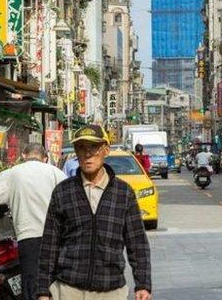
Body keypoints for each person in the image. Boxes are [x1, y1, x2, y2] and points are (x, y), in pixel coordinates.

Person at [36, 125, 151, 300]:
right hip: (68, 289)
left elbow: (137, 242)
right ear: (76, 152)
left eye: (94, 147)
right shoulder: (63, 191)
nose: (88, 154)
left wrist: (142, 284)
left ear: (106, 150)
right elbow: (50, 243)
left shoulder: (123, 192)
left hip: (111, 290)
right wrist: (43, 290)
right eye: (82, 148)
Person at [0, 144, 66, 300]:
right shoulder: (57, 173)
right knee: (55, 285)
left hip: (30, 239)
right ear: (45, 158)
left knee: (32, 286)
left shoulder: (14, 173)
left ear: (23, 156)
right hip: (58, 238)